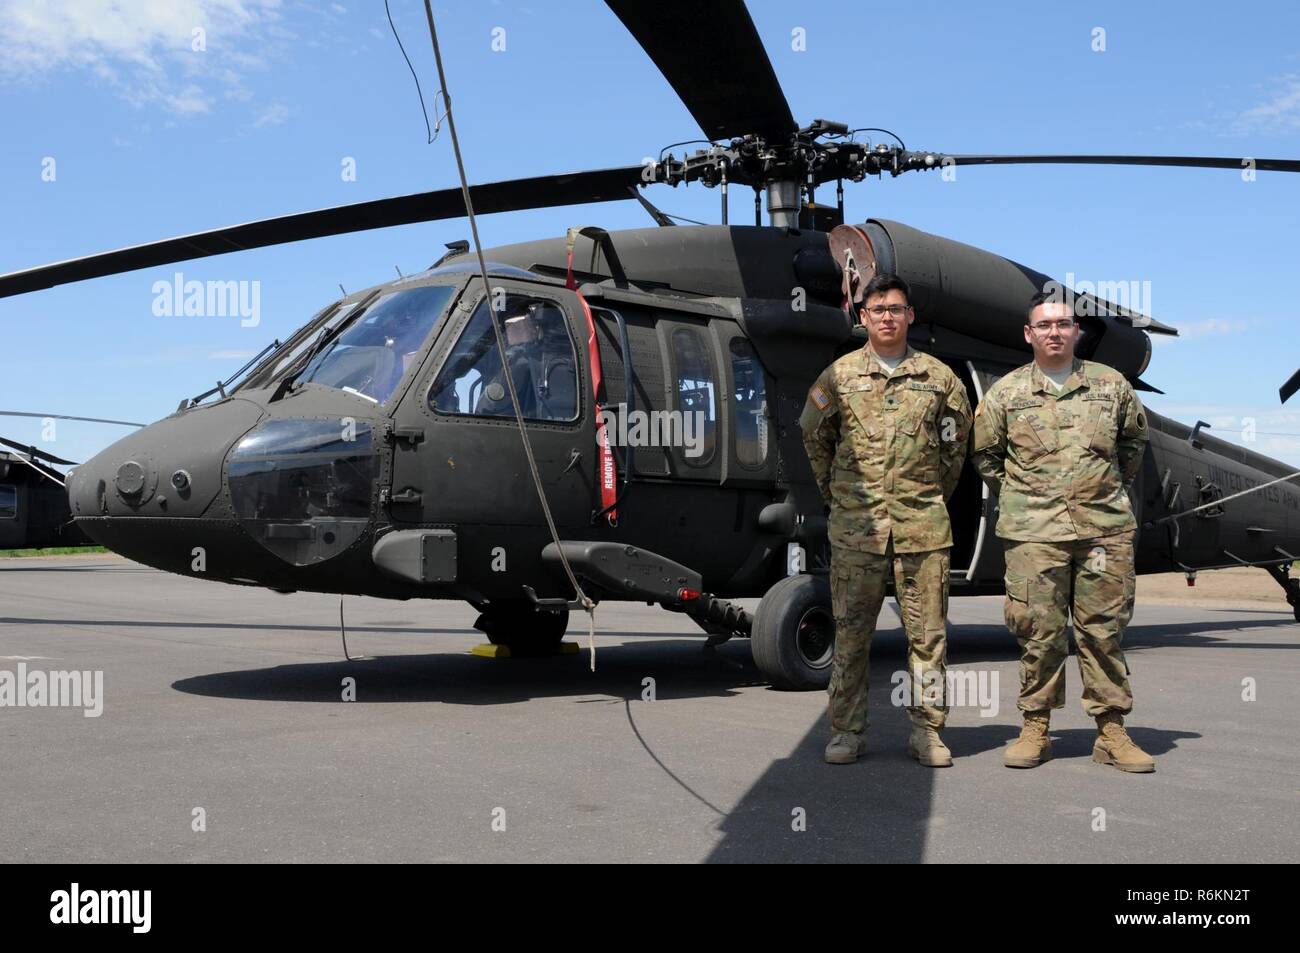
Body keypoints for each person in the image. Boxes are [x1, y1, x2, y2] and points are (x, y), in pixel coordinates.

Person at [972, 290, 1154, 772]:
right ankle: (1036, 726)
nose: (1055, 332)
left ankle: (1112, 730)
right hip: (1033, 533)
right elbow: (986, 456)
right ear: (1029, 334)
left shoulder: (1111, 385)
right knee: (1039, 631)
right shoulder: (1007, 393)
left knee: (1104, 632)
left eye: (1064, 324)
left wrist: (1100, 489)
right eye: (1045, 325)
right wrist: (1029, 496)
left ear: (1076, 332)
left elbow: (1133, 446)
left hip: (1103, 532)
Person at [800, 273, 971, 766]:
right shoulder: (839, 376)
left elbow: (956, 445)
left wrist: (928, 494)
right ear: (864, 317)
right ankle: (847, 732)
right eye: (878, 310)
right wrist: (839, 494)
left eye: (896, 309)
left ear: (910, 316)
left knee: (929, 637)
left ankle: (928, 732)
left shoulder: (940, 379)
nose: (888, 317)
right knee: (852, 635)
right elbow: (815, 438)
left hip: (923, 528)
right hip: (858, 530)